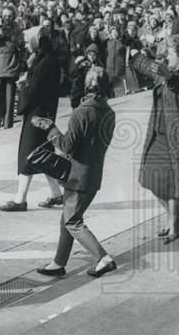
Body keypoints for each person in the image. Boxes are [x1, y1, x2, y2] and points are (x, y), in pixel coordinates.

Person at [31, 67, 118, 278]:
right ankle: (58, 263)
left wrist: (50, 129)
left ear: (87, 86)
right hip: (94, 174)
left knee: (72, 222)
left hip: (78, 177)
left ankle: (103, 258)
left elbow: (67, 146)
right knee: (67, 219)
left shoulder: (81, 112)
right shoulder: (109, 112)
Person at [131, 35, 179, 244]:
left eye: (170, 52)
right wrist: (134, 55)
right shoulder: (167, 72)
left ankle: (174, 228)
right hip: (158, 133)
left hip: (177, 138)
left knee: (173, 183)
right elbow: (149, 67)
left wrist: (168, 76)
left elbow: (177, 83)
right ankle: (175, 218)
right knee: (150, 178)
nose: (166, 56)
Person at [0, 33, 64, 212]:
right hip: (43, 114)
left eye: (29, 42)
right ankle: (56, 194)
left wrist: (24, 85)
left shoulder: (45, 62)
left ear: (37, 42)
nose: (27, 45)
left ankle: (20, 199)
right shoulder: (47, 60)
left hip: (37, 114)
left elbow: (35, 89)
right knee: (43, 153)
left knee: (29, 153)